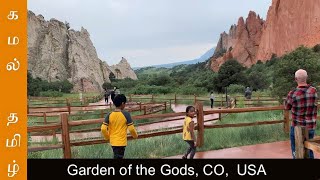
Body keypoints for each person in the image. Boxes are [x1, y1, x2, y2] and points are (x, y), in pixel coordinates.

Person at [285, 69, 318, 159]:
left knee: (296, 150)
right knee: (309, 148)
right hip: (310, 126)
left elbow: (287, 107)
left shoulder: (292, 93)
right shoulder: (313, 91)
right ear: (306, 78)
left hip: (297, 127)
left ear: (295, 79)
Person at [101, 94, 138, 159]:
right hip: (121, 142)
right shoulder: (126, 114)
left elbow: (103, 129)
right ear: (122, 103)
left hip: (113, 141)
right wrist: (135, 136)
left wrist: (107, 137)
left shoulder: (109, 115)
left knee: (117, 156)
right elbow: (131, 129)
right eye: (125, 103)